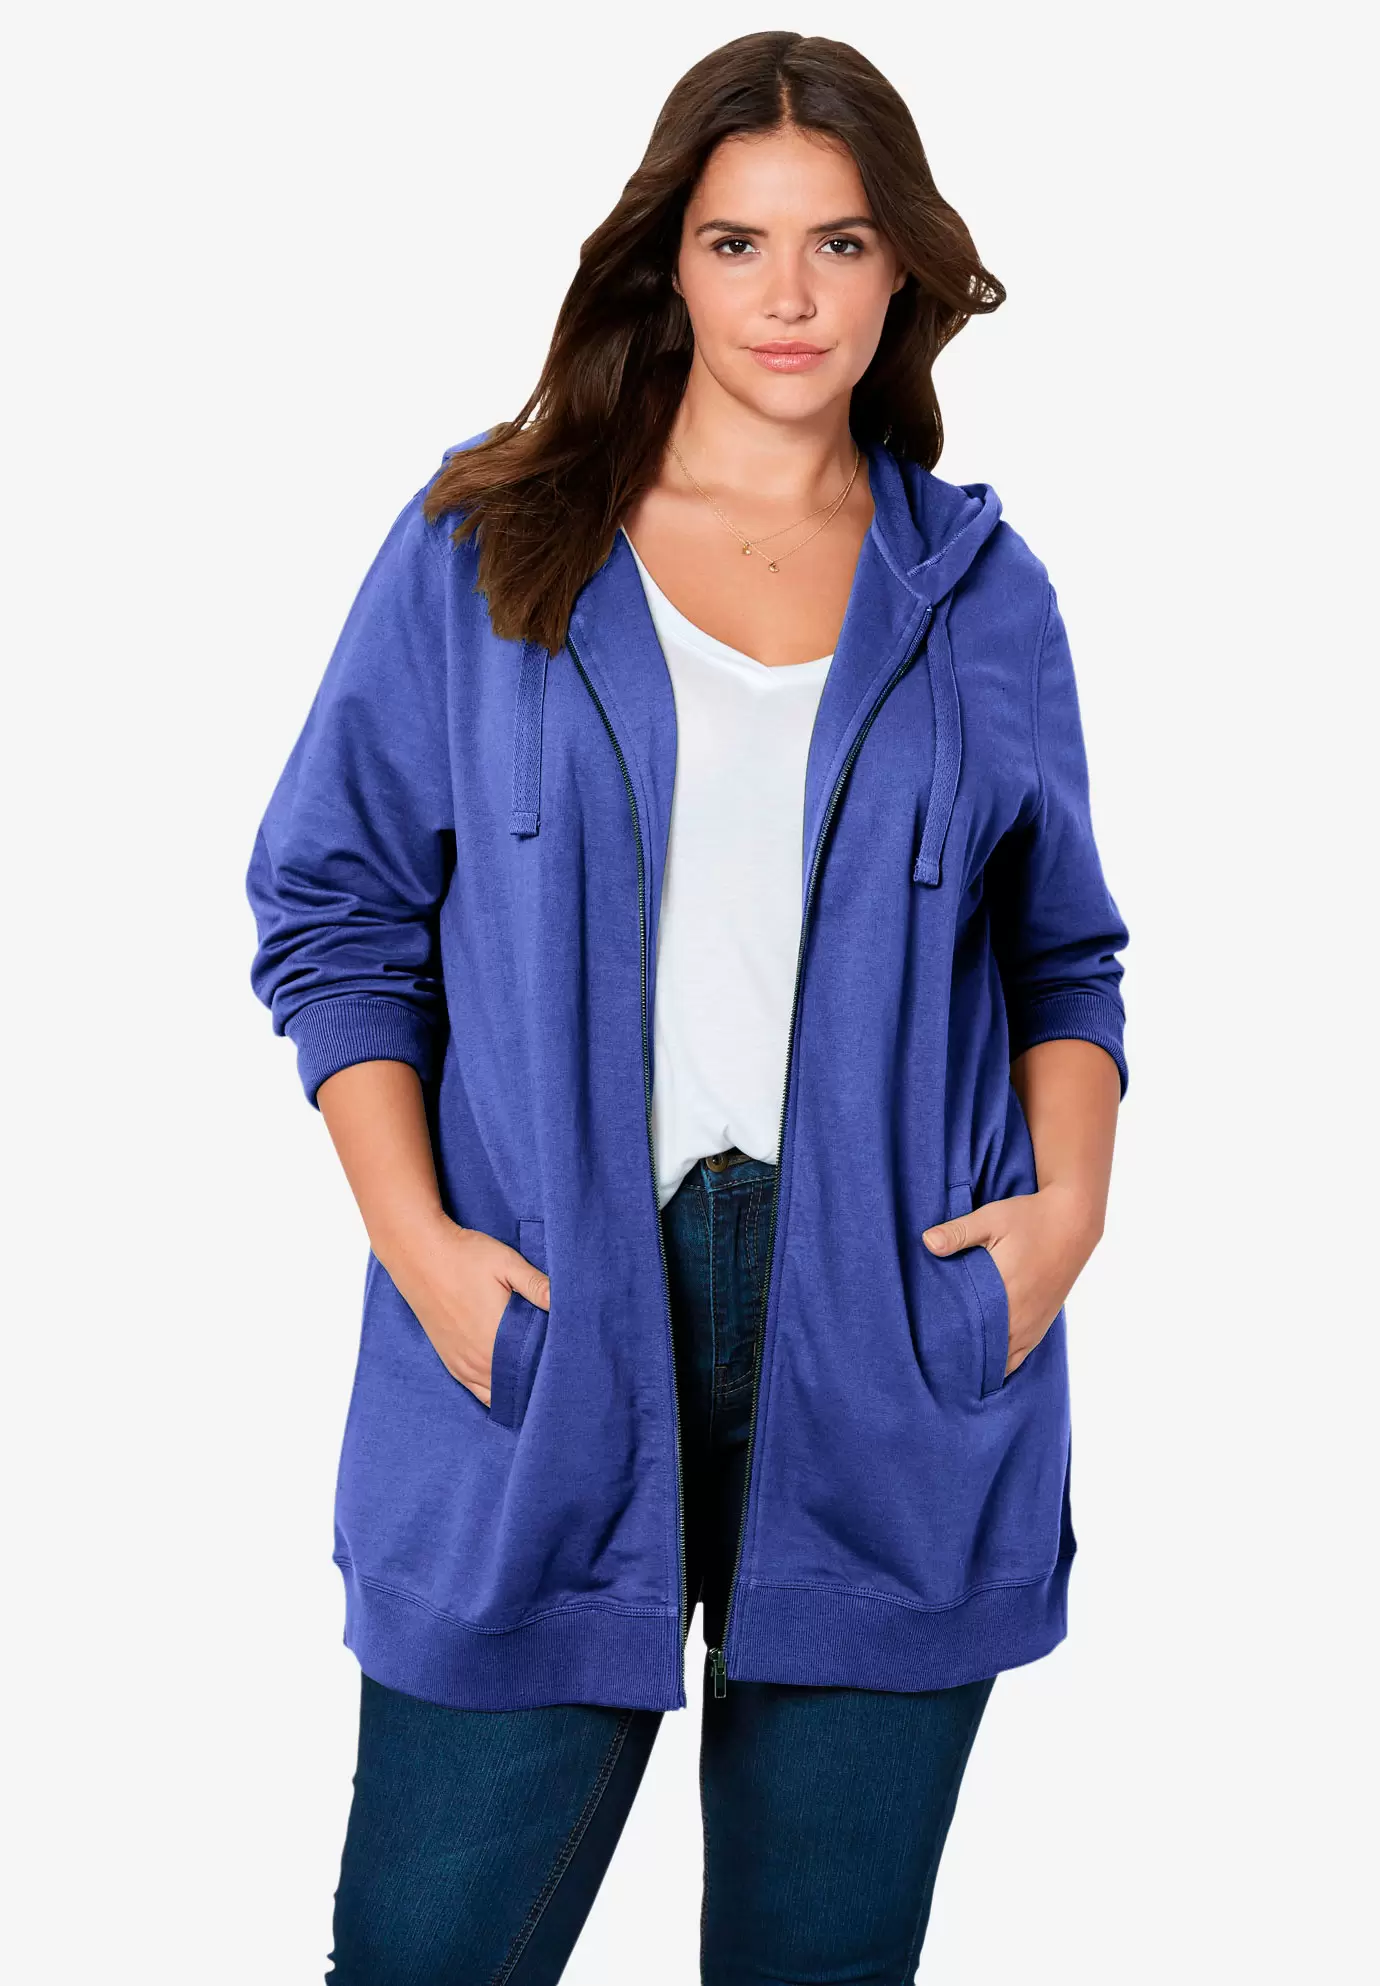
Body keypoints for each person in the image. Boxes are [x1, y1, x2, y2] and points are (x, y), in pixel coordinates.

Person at [245, 29, 1130, 1985]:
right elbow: (335, 911)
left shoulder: (980, 599)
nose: (789, 295)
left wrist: (1066, 1213)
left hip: (892, 1339)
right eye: (739, 243)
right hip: (552, 1320)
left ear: (901, 271)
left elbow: (1063, 951)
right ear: (671, 262)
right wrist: (424, 1252)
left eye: (839, 242)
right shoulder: (492, 544)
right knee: (423, 1954)